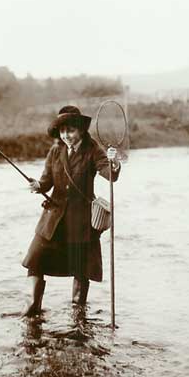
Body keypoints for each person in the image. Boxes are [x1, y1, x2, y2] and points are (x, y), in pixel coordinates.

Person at [22, 105, 121, 317]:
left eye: (71, 131)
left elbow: (110, 175)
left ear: (81, 130)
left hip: (81, 219)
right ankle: (32, 308)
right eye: (62, 131)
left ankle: (78, 314)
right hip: (54, 217)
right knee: (35, 259)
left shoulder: (93, 150)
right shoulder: (55, 151)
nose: (66, 135)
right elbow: (46, 181)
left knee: (80, 269)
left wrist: (114, 162)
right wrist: (38, 185)